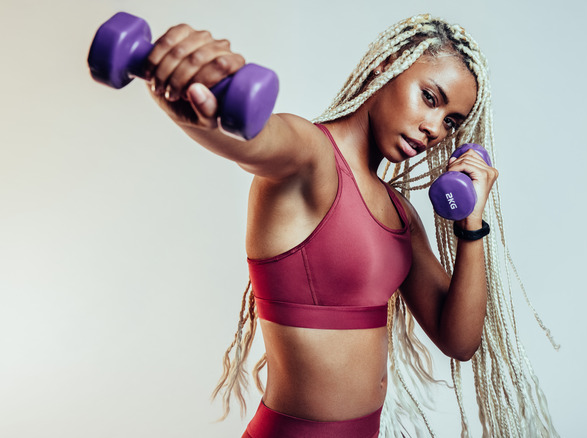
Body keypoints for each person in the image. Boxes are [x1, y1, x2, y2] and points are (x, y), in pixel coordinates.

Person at [143, 13, 558, 438]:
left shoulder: (400, 214)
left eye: (451, 121)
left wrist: (471, 226)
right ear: (388, 64)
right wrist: (202, 116)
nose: (435, 128)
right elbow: (259, 140)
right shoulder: (312, 158)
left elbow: (459, 340)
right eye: (430, 98)